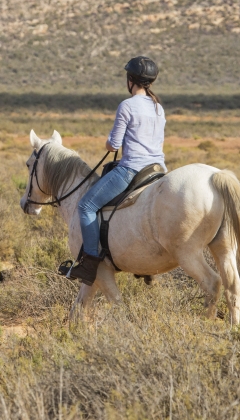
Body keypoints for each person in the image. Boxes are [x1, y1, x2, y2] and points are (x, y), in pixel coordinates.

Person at [70, 56, 167, 285]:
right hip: (158, 169)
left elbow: (113, 145)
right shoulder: (158, 108)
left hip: (131, 169)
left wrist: (108, 143)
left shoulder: (127, 105)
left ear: (130, 79)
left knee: (86, 206)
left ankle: (89, 262)